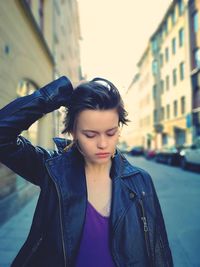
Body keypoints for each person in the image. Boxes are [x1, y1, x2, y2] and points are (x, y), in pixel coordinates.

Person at [0, 76, 173, 267]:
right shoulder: (53, 171)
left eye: (111, 132)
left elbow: (158, 251)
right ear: (73, 132)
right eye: (90, 134)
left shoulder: (141, 182)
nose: (103, 144)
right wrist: (61, 91)